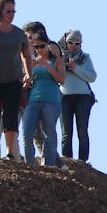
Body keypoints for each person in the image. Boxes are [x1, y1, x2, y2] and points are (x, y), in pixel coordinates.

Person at [0, 0, 32, 160]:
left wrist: (29, 74)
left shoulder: (19, 34)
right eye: (8, 11)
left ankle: (10, 153)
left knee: (11, 116)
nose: (11, 15)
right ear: (0, 12)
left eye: (13, 12)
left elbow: (26, 55)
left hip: (14, 80)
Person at [22, 21, 67, 168]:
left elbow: (61, 79)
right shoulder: (32, 61)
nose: (39, 49)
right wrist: (28, 75)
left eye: (42, 46)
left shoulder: (57, 60)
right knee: (27, 133)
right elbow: (27, 80)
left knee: (49, 134)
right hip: (34, 100)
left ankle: (49, 165)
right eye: (36, 47)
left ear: (47, 44)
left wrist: (47, 66)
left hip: (51, 101)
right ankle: (29, 164)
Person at [59, 29, 97, 161]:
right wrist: (64, 65)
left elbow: (92, 77)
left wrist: (75, 68)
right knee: (66, 132)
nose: (74, 46)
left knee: (82, 131)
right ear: (66, 42)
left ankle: (83, 162)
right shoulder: (59, 56)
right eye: (71, 42)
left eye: (77, 43)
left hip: (83, 97)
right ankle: (66, 160)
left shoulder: (85, 58)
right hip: (64, 96)